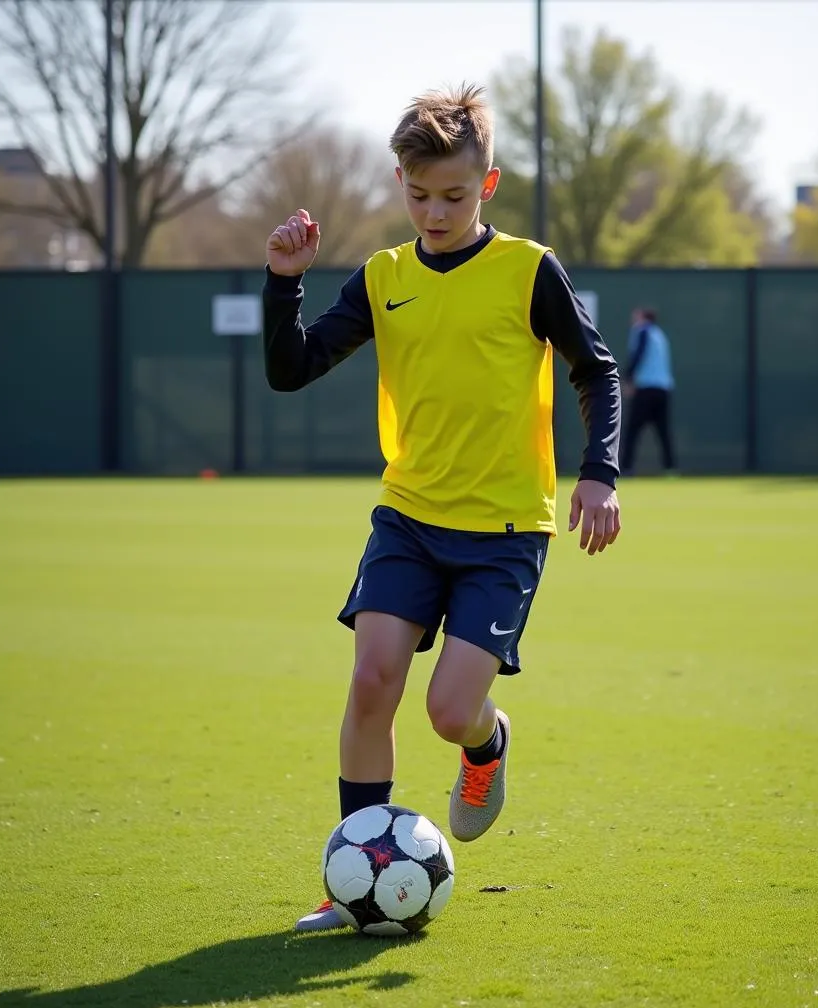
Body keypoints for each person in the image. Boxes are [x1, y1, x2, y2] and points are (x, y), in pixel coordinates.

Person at [261, 83, 623, 932]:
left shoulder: (529, 271)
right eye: (418, 194)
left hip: (503, 531)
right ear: (399, 180)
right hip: (409, 518)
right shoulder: (383, 277)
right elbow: (292, 369)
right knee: (372, 680)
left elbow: (595, 368)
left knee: (448, 711)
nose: (434, 211)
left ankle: (487, 745)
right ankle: (353, 878)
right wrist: (285, 284)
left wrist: (599, 473)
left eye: (454, 196)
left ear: (486, 185)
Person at [620, 307, 677, 475]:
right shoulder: (660, 335)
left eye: (636, 316)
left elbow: (638, 354)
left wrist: (628, 378)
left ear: (643, 318)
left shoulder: (642, 331)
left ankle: (626, 468)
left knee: (632, 429)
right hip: (663, 389)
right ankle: (670, 468)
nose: (633, 319)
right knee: (663, 430)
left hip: (646, 388)